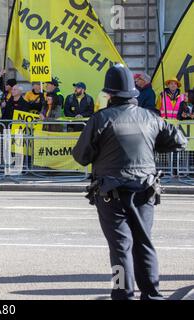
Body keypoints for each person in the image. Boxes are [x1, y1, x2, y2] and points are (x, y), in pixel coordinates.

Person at [72, 64, 187, 300]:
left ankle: (123, 293)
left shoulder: (100, 118)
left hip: (110, 193)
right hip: (145, 190)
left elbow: (81, 156)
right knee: (144, 243)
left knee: (119, 247)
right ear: (133, 92)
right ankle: (152, 294)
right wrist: (153, 145)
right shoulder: (150, 117)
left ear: (109, 93)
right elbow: (180, 140)